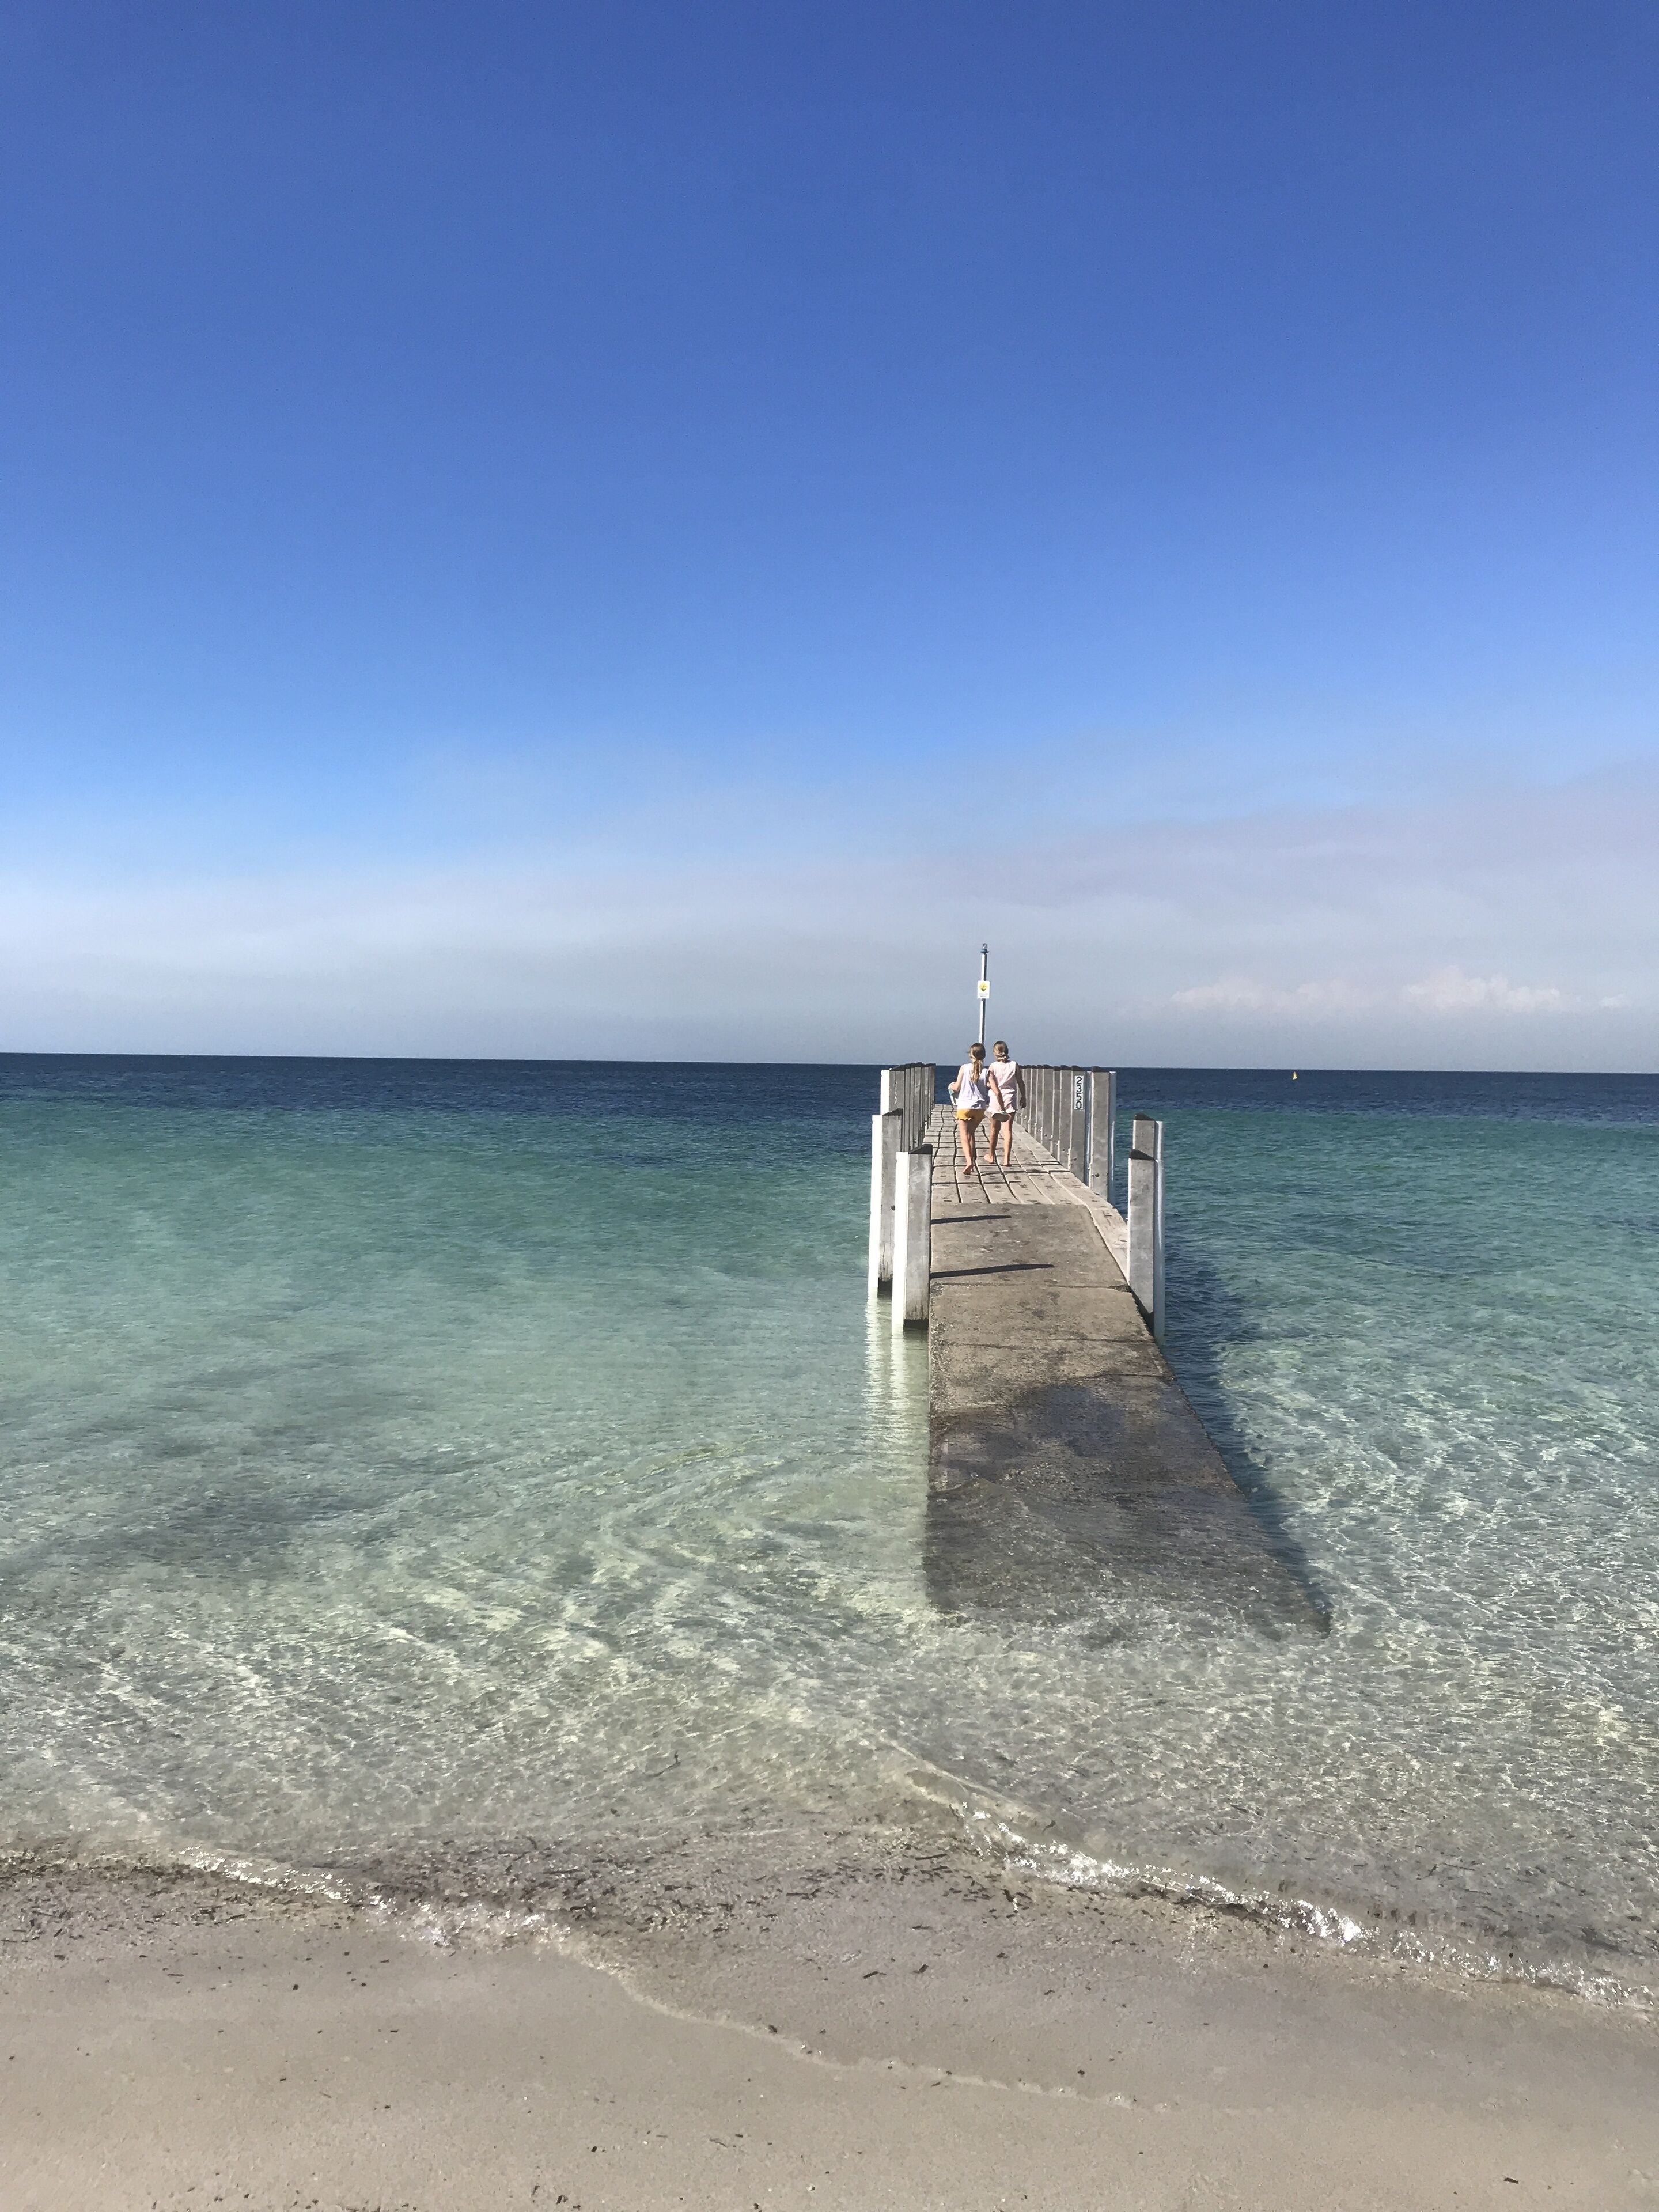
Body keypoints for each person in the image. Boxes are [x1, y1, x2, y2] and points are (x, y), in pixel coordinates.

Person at [948, 1043, 991, 1174]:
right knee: (971, 1134)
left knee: (964, 1136)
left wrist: (951, 1086)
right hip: (979, 1108)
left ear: (971, 1054)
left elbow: (957, 1087)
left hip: (965, 1106)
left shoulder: (965, 1068)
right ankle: (972, 1159)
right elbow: (989, 1086)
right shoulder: (986, 1071)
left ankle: (969, 1161)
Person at [985, 1040, 1024, 1167]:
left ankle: (991, 1155)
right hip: (1010, 1097)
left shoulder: (992, 1066)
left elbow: (991, 1084)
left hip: (996, 1099)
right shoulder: (1014, 1065)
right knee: (1008, 1130)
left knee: (994, 1129)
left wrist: (988, 1085)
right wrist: (1024, 1097)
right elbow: (1020, 1082)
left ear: (995, 1053)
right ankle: (1007, 1159)